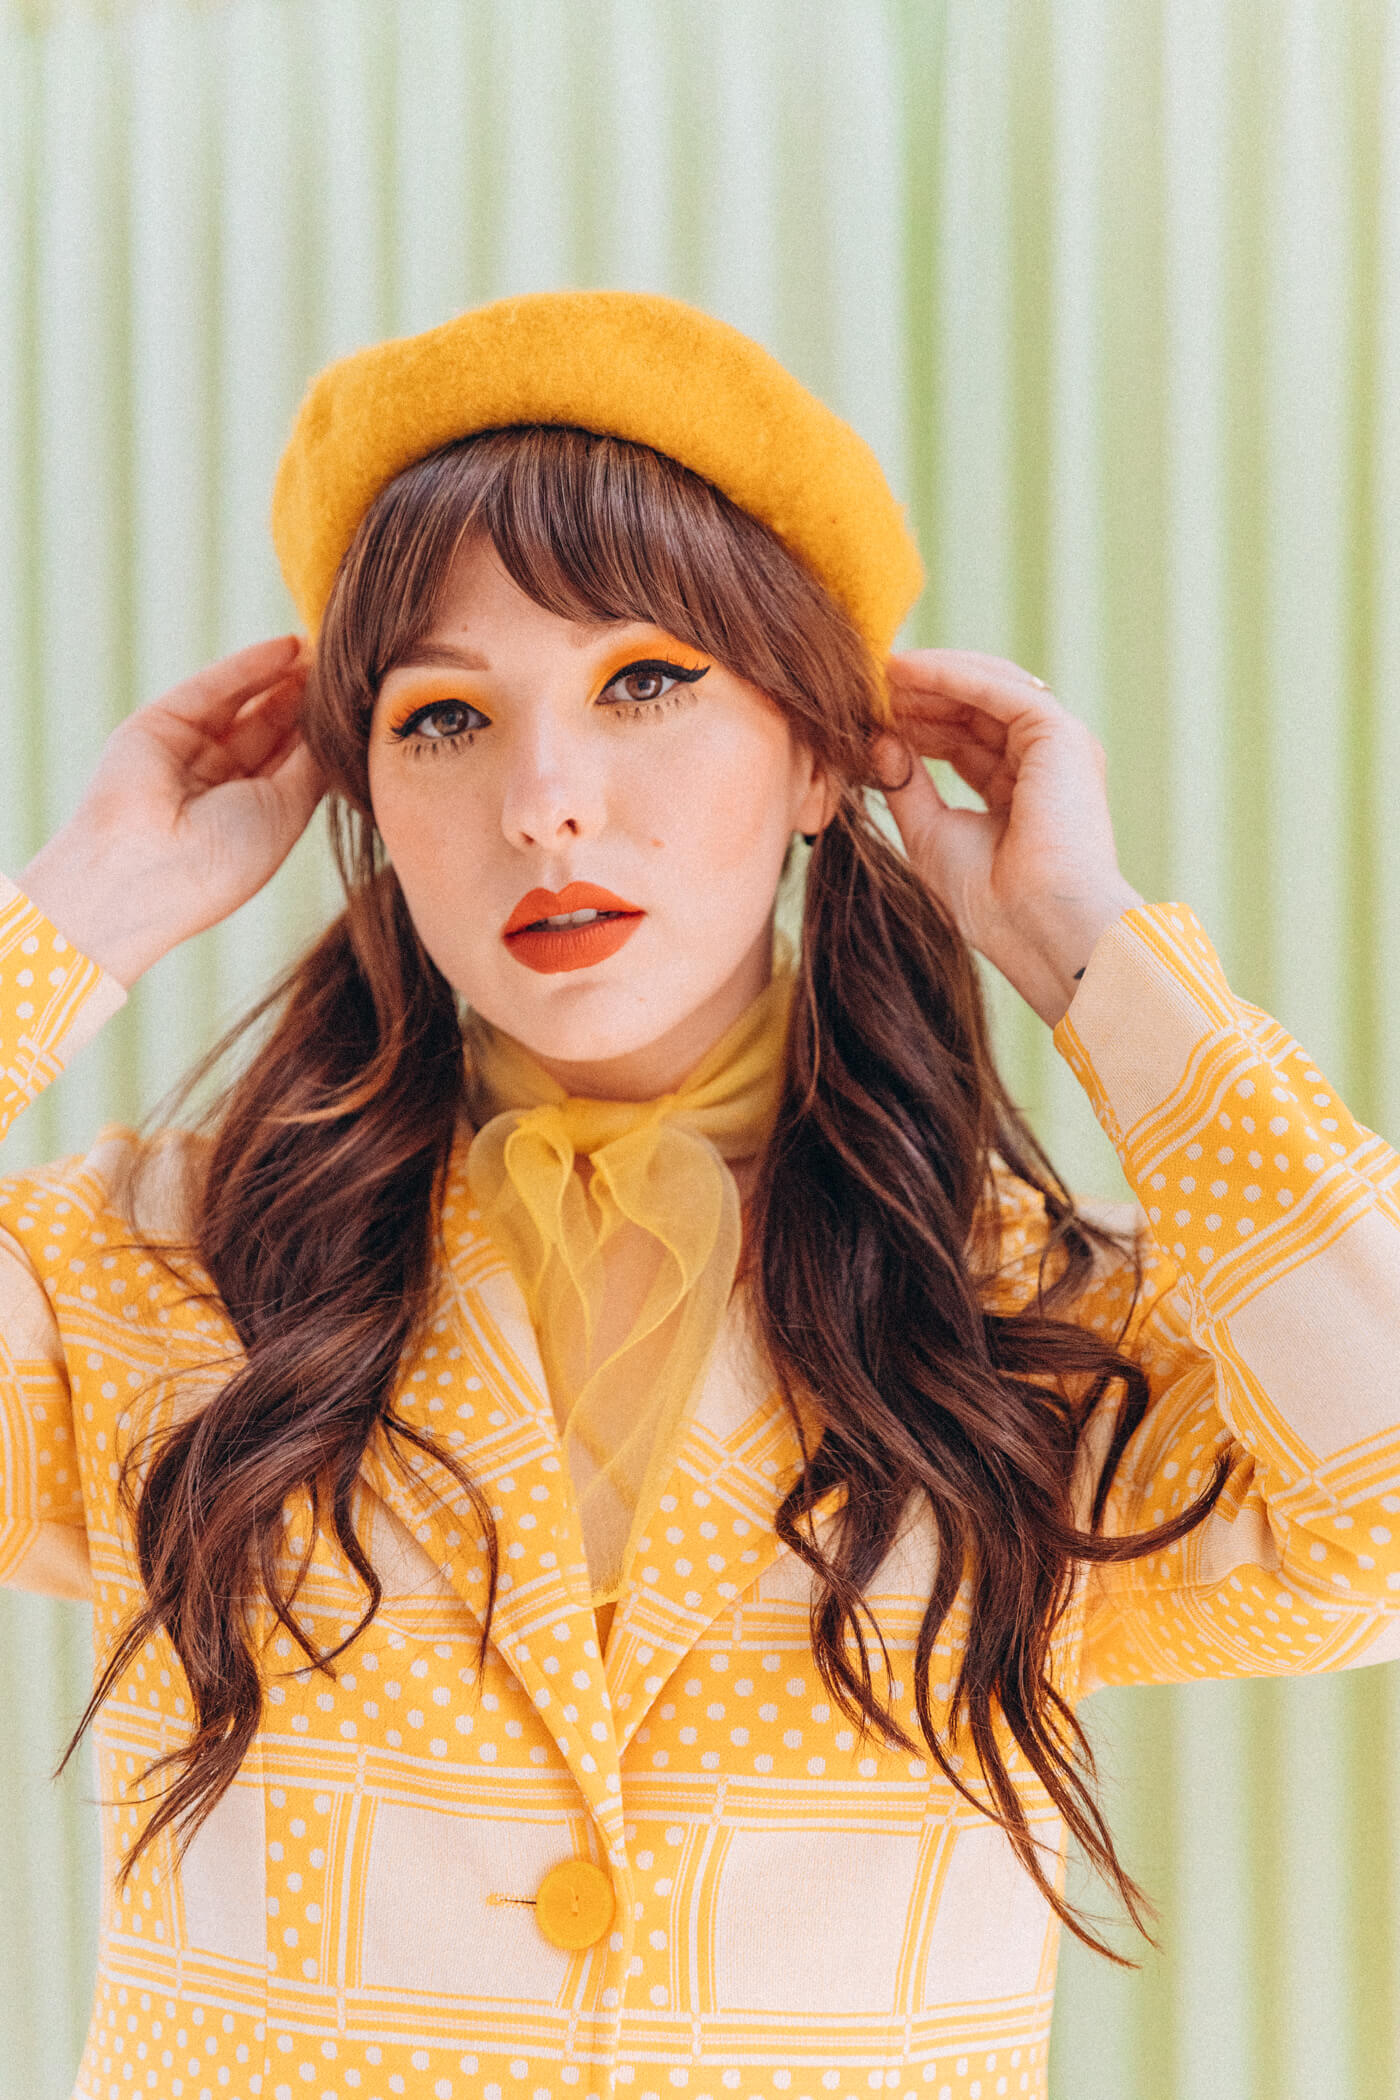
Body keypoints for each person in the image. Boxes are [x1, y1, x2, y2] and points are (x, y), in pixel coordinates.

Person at [3, 287, 1397, 2100]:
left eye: (645, 682)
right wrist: (76, 916)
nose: (545, 805)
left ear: (826, 752)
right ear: (366, 797)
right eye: (441, 720)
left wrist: (1088, 954)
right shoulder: (158, 1275)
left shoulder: (1016, 1326)